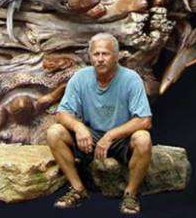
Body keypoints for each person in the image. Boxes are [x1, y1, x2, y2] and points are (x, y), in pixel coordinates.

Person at [47, 33, 153, 213]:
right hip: (91, 137)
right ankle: (78, 189)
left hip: (122, 139)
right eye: (96, 54)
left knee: (143, 138)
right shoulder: (80, 78)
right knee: (54, 132)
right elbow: (61, 113)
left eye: (105, 54)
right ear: (90, 57)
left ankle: (130, 194)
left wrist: (111, 135)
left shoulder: (131, 79)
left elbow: (145, 120)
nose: (100, 59)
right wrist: (79, 127)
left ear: (116, 56)